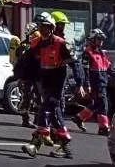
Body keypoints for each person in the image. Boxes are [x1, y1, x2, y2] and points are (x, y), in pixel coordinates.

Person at [22, 12, 85, 159]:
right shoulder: (38, 44)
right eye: (41, 27)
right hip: (44, 80)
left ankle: (36, 143)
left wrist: (79, 84)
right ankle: (64, 146)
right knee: (54, 113)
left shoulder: (61, 43)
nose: (44, 30)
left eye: (46, 27)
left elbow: (76, 63)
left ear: (52, 27)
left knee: (46, 107)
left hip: (57, 80)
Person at [73, 29, 115, 136]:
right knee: (103, 104)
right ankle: (103, 127)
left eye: (102, 40)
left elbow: (108, 67)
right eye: (99, 39)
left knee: (96, 103)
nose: (101, 42)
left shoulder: (102, 53)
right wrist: (87, 84)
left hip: (102, 83)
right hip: (95, 84)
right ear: (92, 40)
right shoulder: (87, 53)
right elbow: (85, 70)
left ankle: (79, 117)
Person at [14, 22, 41, 128]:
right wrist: (20, 77)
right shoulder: (24, 46)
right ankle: (26, 119)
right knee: (27, 97)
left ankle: (37, 120)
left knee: (38, 97)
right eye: (33, 34)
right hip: (27, 76)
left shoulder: (39, 44)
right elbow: (21, 61)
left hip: (37, 75)